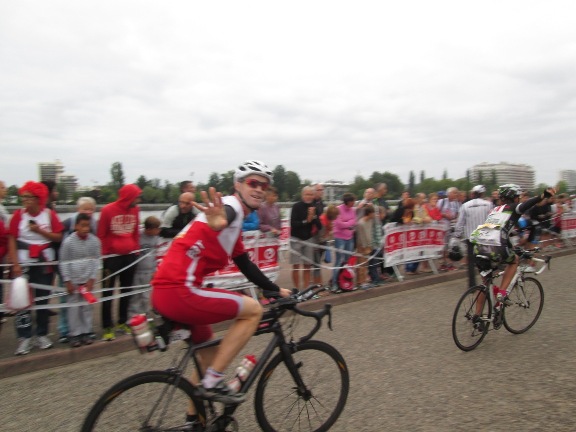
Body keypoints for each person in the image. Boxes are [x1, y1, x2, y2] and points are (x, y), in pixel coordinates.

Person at [151, 160, 291, 416]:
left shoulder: (235, 222)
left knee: (210, 357)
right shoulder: (232, 207)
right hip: (180, 290)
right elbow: (224, 216)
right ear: (238, 185)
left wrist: (275, 289)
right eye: (253, 182)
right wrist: (219, 221)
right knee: (253, 311)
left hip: (167, 290)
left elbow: (244, 263)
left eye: (264, 185)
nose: (259, 189)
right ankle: (215, 381)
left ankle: (195, 419)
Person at [471, 184, 556, 305]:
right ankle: (502, 293)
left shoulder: (495, 210)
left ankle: (477, 317)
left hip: (478, 246)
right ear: (515, 198)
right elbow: (527, 204)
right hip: (495, 247)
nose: (520, 199)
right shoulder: (514, 207)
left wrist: (512, 247)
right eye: (518, 197)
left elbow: (499, 232)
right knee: (514, 260)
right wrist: (543, 195)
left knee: (485, 284)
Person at [8, 181, 64, 355]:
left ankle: (42, 334)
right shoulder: (18, 215)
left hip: (43, 263)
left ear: (38, 198)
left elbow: (58, 237)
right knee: (22, 301)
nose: (25, 200)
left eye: (28, 197)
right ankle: (24, 338)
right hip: (23, 264)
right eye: (23, 196)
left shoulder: (49, 215)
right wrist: (15, 263)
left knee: (43, 300)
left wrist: (40, 231)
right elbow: (12, 239)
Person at [97, 184, 142, 341]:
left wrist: (136, 249)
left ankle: (123, 322)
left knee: (126, 291)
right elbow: (101, 234)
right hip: (112, 258)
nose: (139, 200)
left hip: (130, 257)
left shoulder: (136, 210)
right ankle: (107, 327)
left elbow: (136, 231)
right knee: (108, 293)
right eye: (136, 197)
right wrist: (105, 254)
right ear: (128, 197)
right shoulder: (107, 210)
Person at [57, 196, 99, 343]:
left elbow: (95, 261)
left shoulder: (95, 242)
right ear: (75, 226)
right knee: (73, 308)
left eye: (87, 226)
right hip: (73, 281)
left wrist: (92, 279)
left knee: (86, 308)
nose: (85, 229)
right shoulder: (68, 242)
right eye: (82, 226)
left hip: (87, 280)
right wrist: (67, 281)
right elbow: (64, 262)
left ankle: (87, 331)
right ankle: (74, 334)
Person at [453, 185, 493, 287]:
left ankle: (472, 285)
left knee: (471, 262)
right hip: (484, 237)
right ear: (482, 194)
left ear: (473, 194)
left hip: (471, 237)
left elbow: (460, 223)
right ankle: (487, 283)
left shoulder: (465, 205)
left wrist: (457, 235)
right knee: (486, 259)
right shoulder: (488, 204)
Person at [128, 216, 161, 317]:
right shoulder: (138, 236)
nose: (159, 230)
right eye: (157, 228)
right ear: (149, 229)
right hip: (137, 271)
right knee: (135, 295)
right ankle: (133, 316)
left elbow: (156, 254)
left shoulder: (156, 238)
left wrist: (155, 270)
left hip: (149, 271)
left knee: (146, 296)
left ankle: (145, 316)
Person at [289, 186, 321, 290]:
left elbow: (319, 226)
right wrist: (307, 220)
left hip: (308, 239)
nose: (309, 197)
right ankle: (297, 289)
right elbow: (293, 224)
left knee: (307, 266)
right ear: (303, 195)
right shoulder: (296, 206)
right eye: (307, 194)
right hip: (296, 238)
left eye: (311, 194)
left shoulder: (314, 207)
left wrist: (314, 217)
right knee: (296, 265)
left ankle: (306, 289)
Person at [331, 193, 357, 291]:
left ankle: (347, 281)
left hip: (349, 238)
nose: (354, 203)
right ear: (348, 201)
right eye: (353, 201)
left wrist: (347, 223)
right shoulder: (338, 209)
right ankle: (334, 283)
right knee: (338, 261)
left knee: (348, 261)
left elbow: (354, 221)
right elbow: (339, 224)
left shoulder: (353, 210)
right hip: (339, 238)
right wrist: (349, 224)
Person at [356, 204, 377, 289]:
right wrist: (365, 248)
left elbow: (370, 233)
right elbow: (361, 237)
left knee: (366, 264)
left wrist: (370, 245)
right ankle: (360, 282)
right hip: (362, 246)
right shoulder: (361, 223)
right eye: (373, 213)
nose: (374, 215)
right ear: (369, 213)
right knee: (361, 264)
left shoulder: (371, 221)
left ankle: (365, 280)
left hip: (369, 245)